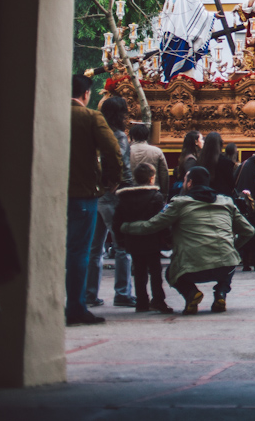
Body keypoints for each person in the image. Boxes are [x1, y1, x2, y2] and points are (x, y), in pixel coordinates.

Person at [121, 166, 254, 314]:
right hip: (224, 265)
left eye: (185, 179)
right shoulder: (226, 202)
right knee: (230, 262)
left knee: (170, 273)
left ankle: (191, 293)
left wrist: (126, 227)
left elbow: (151, 225)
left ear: (189, 183)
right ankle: (220, 293)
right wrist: (233, 247)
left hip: (192, 267)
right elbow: (249, 231)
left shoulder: (179, 203)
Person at [66, 74, 122, 326]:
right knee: (79, 251)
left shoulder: (48, 113)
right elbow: (112, 150)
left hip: (50, 191)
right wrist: (113, 178)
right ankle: (76, 307)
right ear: (86, 94)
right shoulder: (90, 118)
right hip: (83, 192)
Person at [85, 96, 135, 309]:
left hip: (93, 192)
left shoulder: (94, 133)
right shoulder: (118, 136)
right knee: (122, 245)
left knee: (94, 247)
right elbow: (122, 165)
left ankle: (89, 294)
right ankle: (122, 292)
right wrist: (130, 189)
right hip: (113, 193)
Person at [112, 163, 173, 314]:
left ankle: (141, 301)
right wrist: (168, 238)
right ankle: (158, 299)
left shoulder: (124, 197)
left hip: (133, 240)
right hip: (152, 240)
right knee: (155, 271)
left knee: (139, 271)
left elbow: (117, 221)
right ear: (152, 178)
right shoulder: (156, 196)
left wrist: (121, 240)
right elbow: (161, 220)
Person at [160, 0, 216, 80]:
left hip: (169, 40)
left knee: (174, 78)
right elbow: (202, 15)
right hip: (183, 42)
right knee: (186, 77)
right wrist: (214, 16)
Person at [235, 146, 255, 271]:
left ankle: (246, 261)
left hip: (242, 204)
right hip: (254, 204)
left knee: (245, 233)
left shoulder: (244, 164)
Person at [128, 123, 170, 195]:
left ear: (132, 136)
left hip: (131, 192)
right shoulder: (157, 151)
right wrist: (164, 194)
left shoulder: (126, 152)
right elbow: (164, 174)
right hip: (152, 192)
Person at [198, 132, 236, 197]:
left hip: (204, 196)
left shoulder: (200, 160)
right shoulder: (226, 162)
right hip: (222, 198)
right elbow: (231, 183)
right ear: (220, 144)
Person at [172, 130, 203, 196]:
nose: (203, 141)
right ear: (196, 142)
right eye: (201, 139)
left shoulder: (187, 156)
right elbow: (191, 176)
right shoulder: (190, 159)